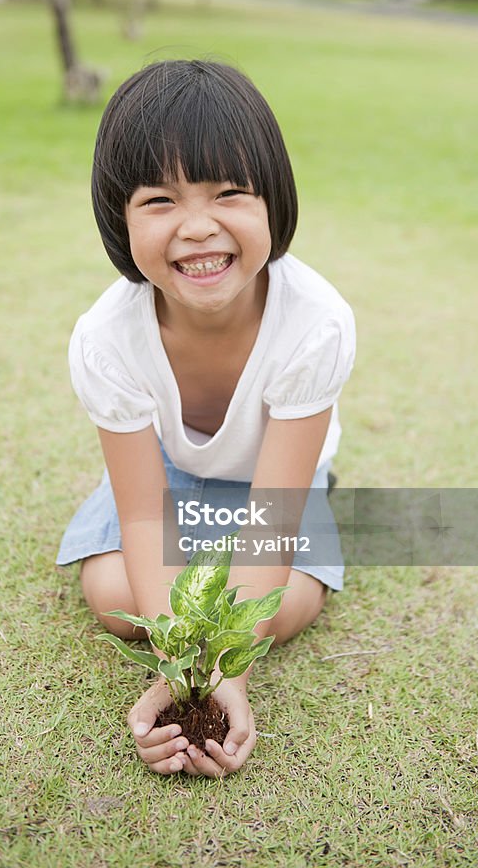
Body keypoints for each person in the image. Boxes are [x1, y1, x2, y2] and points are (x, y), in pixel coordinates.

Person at [57, 60, 356, 778]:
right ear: (117, 219)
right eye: (158, 200)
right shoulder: (104, 339)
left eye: (229, 193)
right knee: (113, 598)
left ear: (273, 203)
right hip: (167, 478)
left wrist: (226, 674)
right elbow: (140, 517)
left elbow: (272, 515)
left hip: (270, 482)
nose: (197, 228)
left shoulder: (315, 323)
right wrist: (178, 669)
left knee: (288, 610)